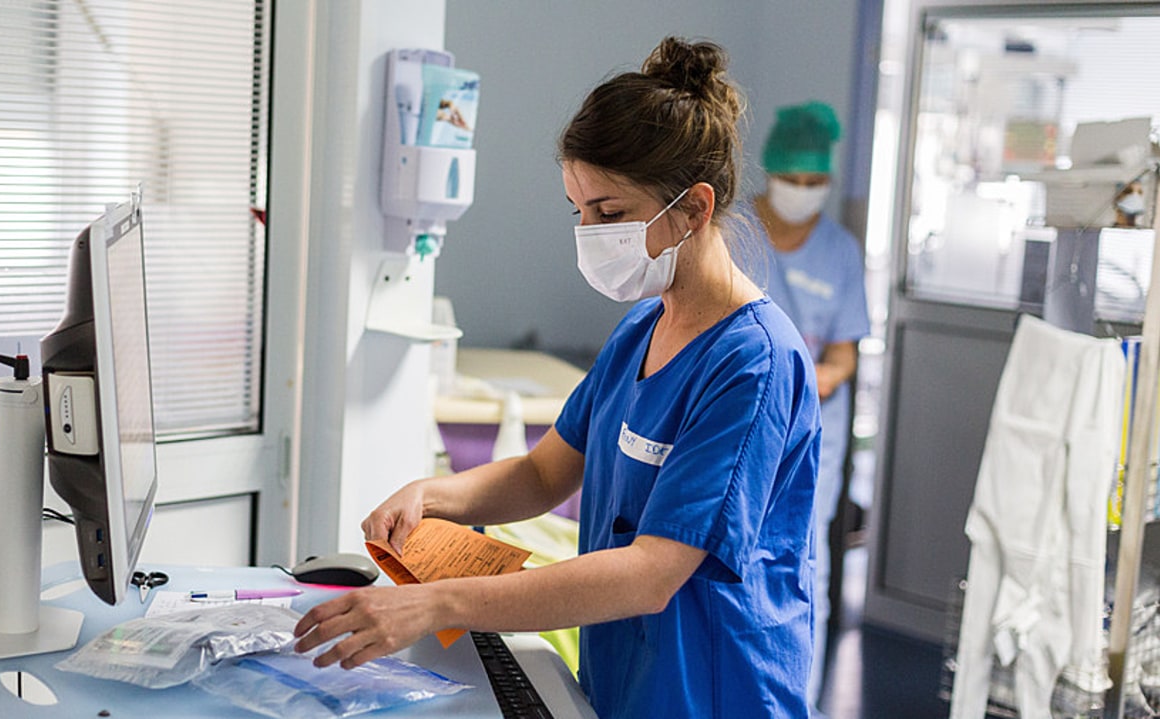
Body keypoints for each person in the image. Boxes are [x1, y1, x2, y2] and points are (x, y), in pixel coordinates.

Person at [293, 37, 821, 719]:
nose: (588, 231)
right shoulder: (644, 327)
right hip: (625, 684)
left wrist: (437, 602)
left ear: (693, 209)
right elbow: (544, 473)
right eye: (578, 209)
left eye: (609, 213)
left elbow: (650, 573)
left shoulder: (754, 364)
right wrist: (435, 493)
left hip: (714, 696)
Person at [751, 100, 870, 715]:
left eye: (814, 182)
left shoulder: (840, 252)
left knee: (801, 566)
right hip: (740, 421)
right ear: (769, 171)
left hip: (808, 429)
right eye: (792, 179)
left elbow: (845, 355)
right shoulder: (731, 232)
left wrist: (806, 378)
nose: (802, 192)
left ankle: (797, 700)